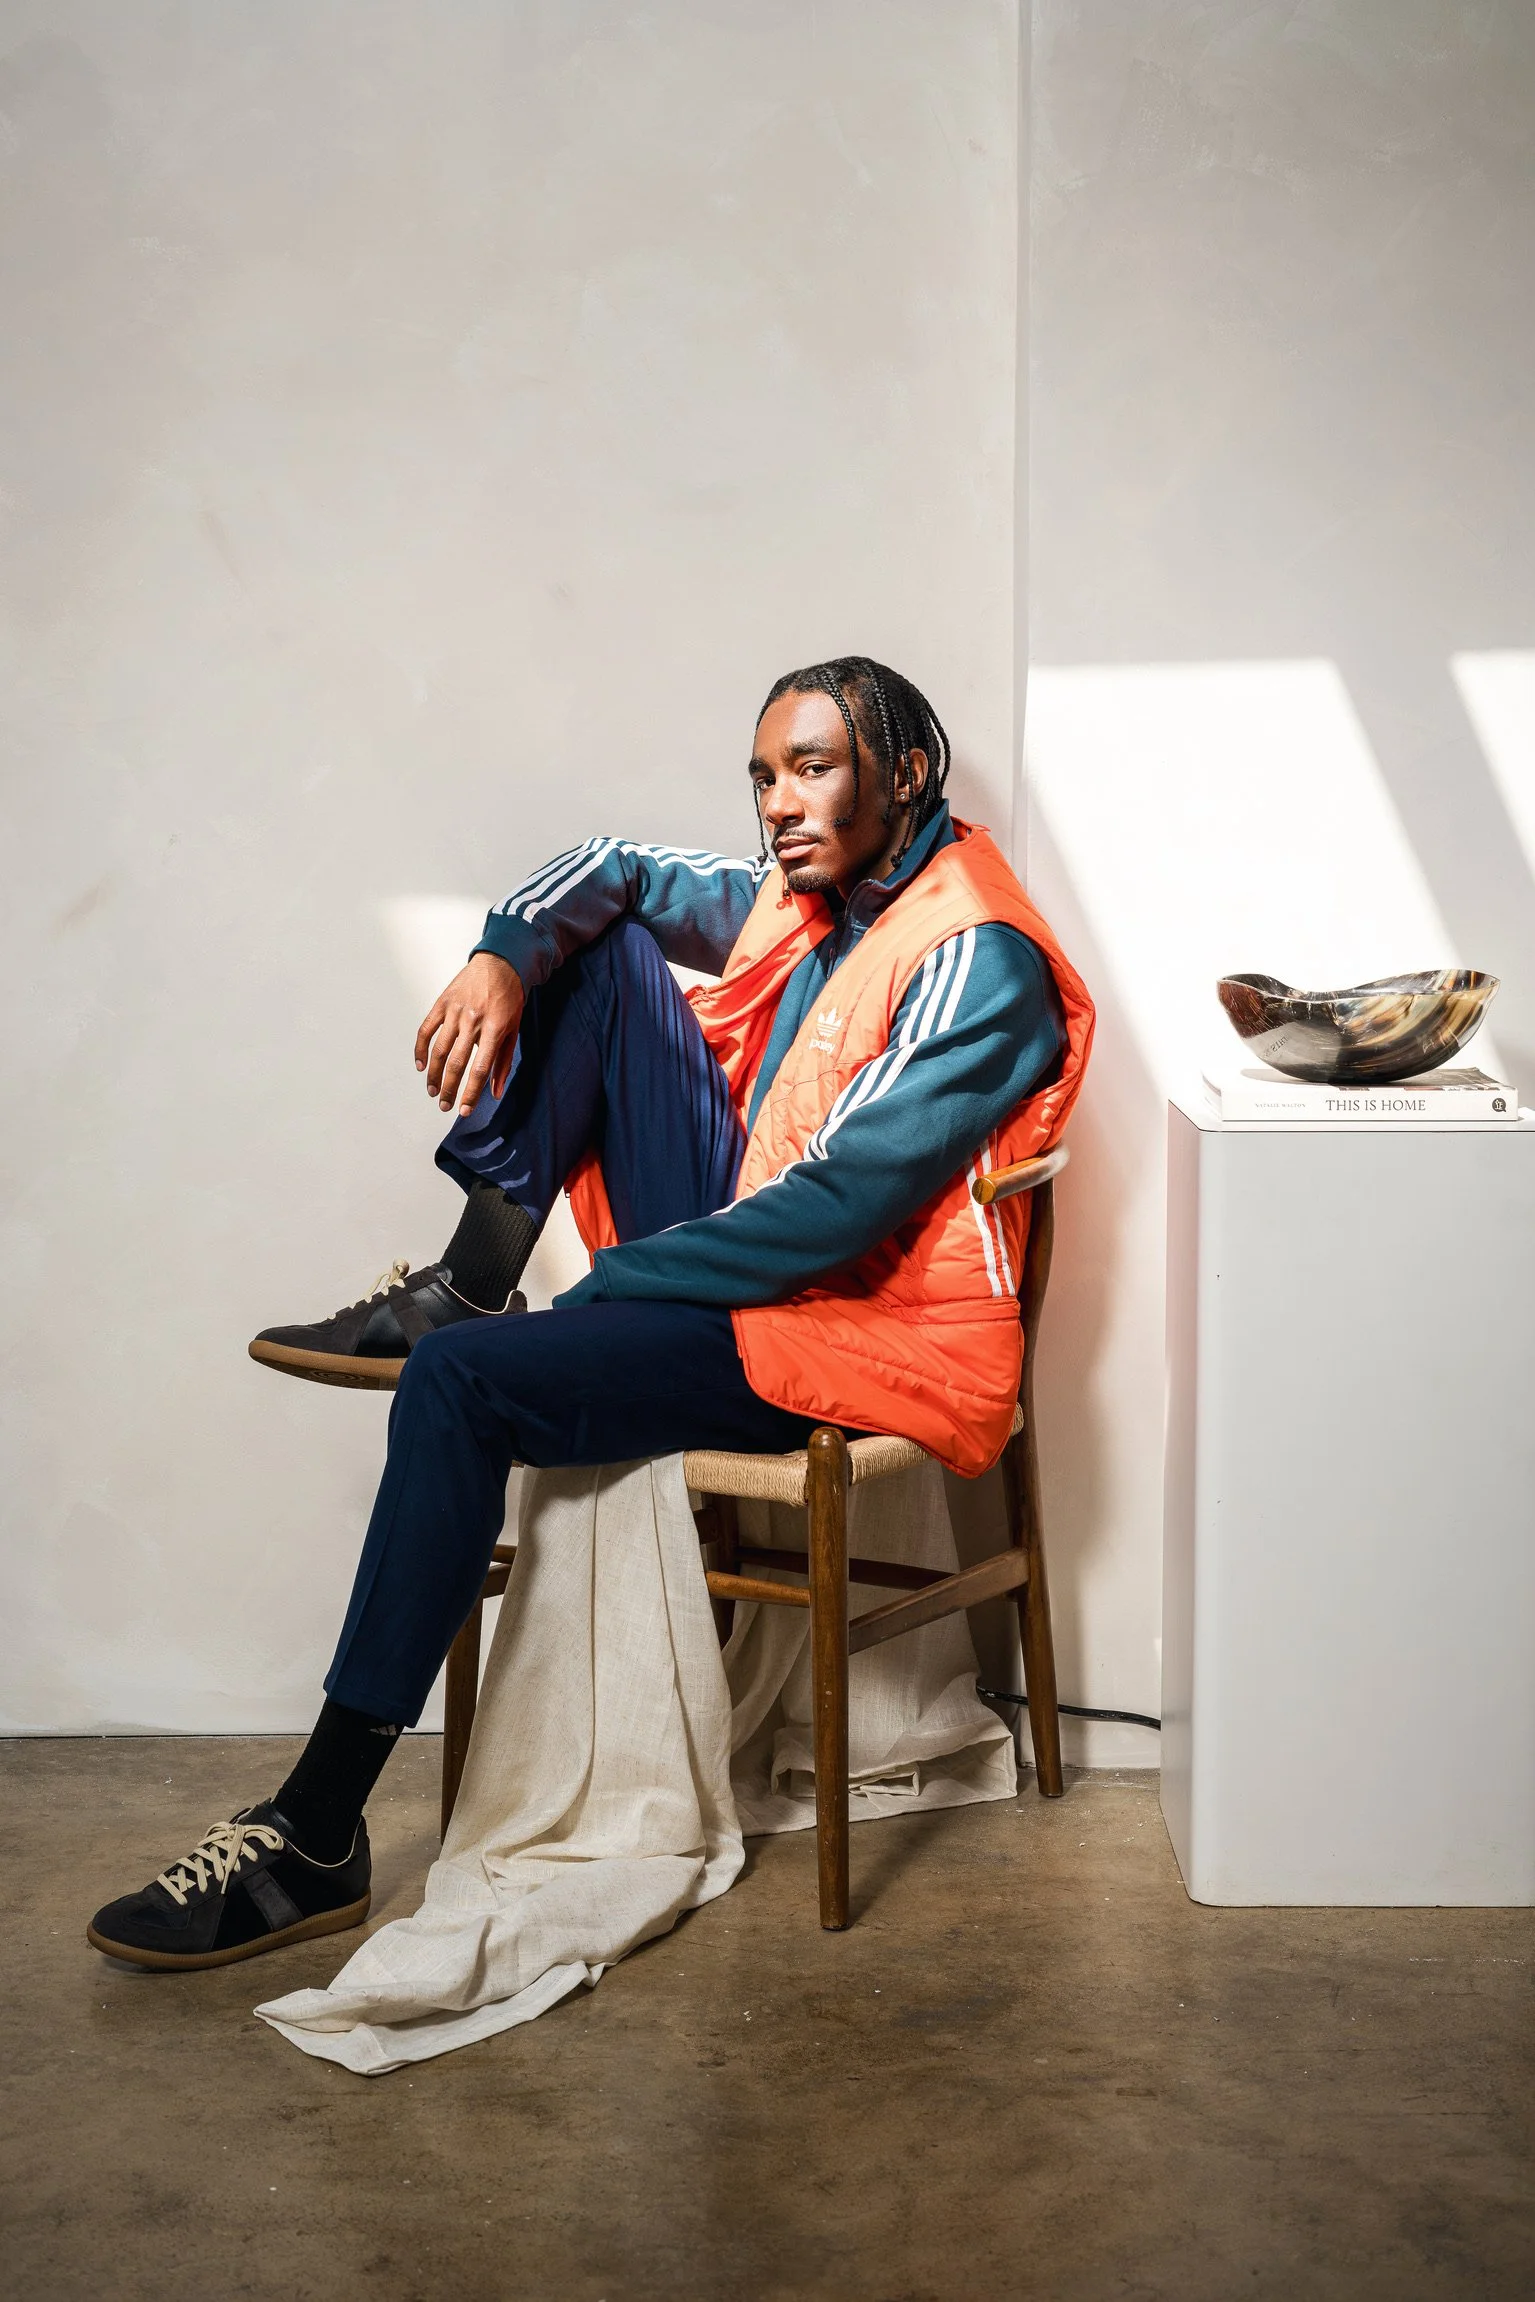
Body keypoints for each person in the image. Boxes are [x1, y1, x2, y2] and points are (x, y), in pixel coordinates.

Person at [86, 657, 1093, 1971]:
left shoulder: (976, 955)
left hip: (850, 1329)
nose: (778, 803)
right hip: (755, 1261)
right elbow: (612, 864)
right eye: (763, 775)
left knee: (458, 1385)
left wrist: (613, 1287)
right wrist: (503, 953)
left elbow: (841, 1208)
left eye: (814, 768)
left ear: (906, 774)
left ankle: (316, 1830)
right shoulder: (810, 896)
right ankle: (469, 1277)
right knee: (603, 949)